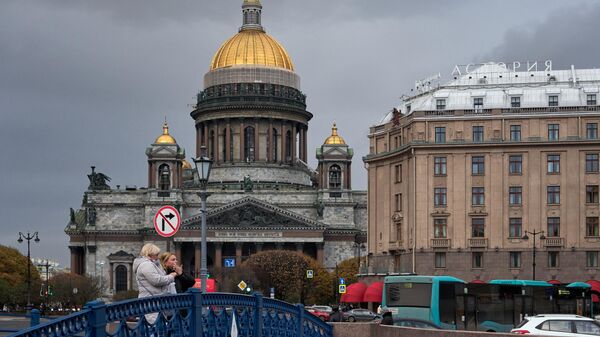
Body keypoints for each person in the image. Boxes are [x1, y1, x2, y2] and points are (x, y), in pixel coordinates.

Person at [133, 243, 178, 324]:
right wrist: (171, 277)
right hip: (151, 302)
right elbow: (156, 280)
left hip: (153, 300)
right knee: (153, 327)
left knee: (156, 327)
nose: (158, 257)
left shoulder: (151, 264)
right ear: (150, 254)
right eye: (156, 254)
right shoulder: (146, 265)